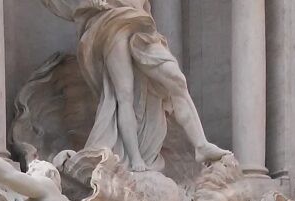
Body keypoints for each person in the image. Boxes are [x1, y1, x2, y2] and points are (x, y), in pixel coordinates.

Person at [38, 0, 228, 171]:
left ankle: (201, 145)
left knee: (177, 80)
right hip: (111, 24)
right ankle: (135, 158)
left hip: (142, 26)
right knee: (124, 95)